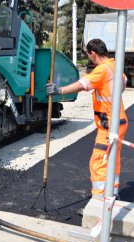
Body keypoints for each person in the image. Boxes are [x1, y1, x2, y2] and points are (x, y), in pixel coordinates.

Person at [46, 38, 128, 198]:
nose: (89, 58)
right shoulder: (115, 66)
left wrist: (59, 90)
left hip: (108, 125)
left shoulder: (102, 70)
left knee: (98, 162)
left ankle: (98, 202)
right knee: (113, 160)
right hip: (120, 120)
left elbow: (81, 85)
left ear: (93, 53)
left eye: (88, 55)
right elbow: (124, 83)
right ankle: (113, 196)